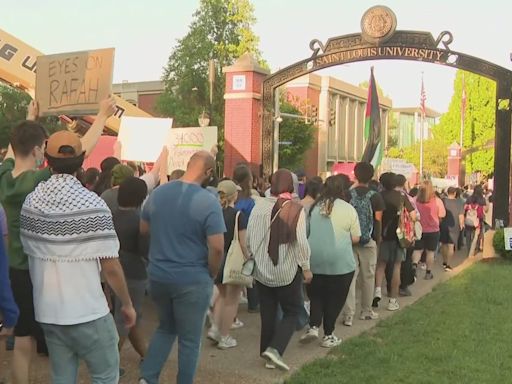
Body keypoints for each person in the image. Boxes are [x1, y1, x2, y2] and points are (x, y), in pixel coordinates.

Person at [0, 97, 115, 384]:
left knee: (23, 340)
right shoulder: (36, 180)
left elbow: (13, 153)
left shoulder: (4, 177)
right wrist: (101, 116)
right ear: (40, 151)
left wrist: (29, 118)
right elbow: (78, 151)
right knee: (47, 338)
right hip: (38, 268)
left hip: (13, 267)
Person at [19, 130, 136, 383]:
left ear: (47, 161)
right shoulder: (92, 204)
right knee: (105, 377)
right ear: (82, 159)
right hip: (88, 312)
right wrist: (126, 303)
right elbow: (111, 265)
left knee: (62, 378)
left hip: (49, 313)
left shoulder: (31, 204)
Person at [139, 151, 225, 384]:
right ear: (208, 172)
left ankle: (148, 378)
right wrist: (212, 272)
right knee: (189, 339)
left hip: (158, 274)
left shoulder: (158, 193)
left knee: (165, 328)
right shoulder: (208, 201)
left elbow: (144, 229)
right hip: (192, 277)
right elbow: (217, 247)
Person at [247, 169, 311, 371]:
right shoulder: (295, 209)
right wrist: (306, 267)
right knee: (292, 311)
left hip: (262, 270)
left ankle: (267, 351)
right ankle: (275, 350)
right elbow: (301, 241)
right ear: (291, 186)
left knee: (268, 312)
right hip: (286, 270)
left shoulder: (257, 207)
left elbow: (250, 238)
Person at [300, 175, 359, 347]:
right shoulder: (348, 209)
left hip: (315, 259)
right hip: (341, 262)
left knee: (316, 295)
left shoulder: (313, 207)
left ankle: (313, 325)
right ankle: (328, 334)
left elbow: (305, 233)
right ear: (343, 190)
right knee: (336, 298)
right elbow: (356, 238)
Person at [341, 162, 384, 326]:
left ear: (355, 175)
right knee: (368, 276)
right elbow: (378, 220)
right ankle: (366, 311)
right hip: (368, 240)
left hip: (349, 239)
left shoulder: (347, 195)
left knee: (350, 277)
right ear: (372, 176)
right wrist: (376, 239)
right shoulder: (375, 196)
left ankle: (348, 314)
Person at [208, 180, 249, 350]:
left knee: (221, 296)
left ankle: (215, 329)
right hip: (231, 260)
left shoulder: (212, 213)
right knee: (232, 300)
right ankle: (225, 335)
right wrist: (248, 259)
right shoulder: (238, 215)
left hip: (215, 258)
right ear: (234, 195)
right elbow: (242, 242)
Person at [112, 177, 149, 363]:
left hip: (113, 268)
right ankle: (110, 362)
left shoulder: (112, 215)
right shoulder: (139, 220)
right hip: (134, 271)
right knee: (126, 317)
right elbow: (145, 250)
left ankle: (146, 355)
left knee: (127, 316)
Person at [373, 173, 416, 311]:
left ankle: (377, 291)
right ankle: (392, 300)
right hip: (399, 236)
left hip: (383, 235)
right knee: (397, 266)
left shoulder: (378, 196)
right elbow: (413, 215)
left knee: (380, 265)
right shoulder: (402, 197)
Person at [233, 164, 259, 313]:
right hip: (247, 235)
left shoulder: (233, 197)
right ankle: (253, 302)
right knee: (251, 266)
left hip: (231, 235)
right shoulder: (250, 201)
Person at [412, 180, 446, 280]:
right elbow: (442, 214)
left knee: (417, 250)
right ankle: (428, 273)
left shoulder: (415, 200)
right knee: (430, 252)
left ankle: (414, 267)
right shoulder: (437, 200)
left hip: (418, 230)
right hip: (433, 230)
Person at [440, 187, 465, 271]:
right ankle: (448, 264)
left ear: (447, 192)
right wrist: (462, 224)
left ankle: (444, 261)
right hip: (454, 226)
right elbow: (461, 215)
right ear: (455, 193)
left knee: (443, 244)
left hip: (443, 225)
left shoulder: (443, 201)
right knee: (451, 246)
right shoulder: (459, 202)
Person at [465, 185, 488, 255]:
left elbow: (465, 207)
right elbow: (485, 210)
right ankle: (476, 249)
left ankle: (468, 249)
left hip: (469, 219)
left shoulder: (469, 198)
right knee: (478, 235)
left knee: (468, 234)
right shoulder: (482, 199)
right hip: (478, 220)